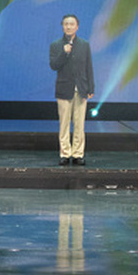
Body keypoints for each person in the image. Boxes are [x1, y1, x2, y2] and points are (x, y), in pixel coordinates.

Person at [49, 14, 94, 166]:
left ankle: (78, 154)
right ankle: (65, 153)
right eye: (66, 24)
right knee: (64, 124)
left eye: (71, 24)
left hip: (81, 89)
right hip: (64, 89)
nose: (68, 26)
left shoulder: (84, 45)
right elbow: (54, 65)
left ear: (77, 27)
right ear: (62, 26)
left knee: (79, 124)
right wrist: (64, 52)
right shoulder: (56, 45)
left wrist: (91, 87)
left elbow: (88, 67)